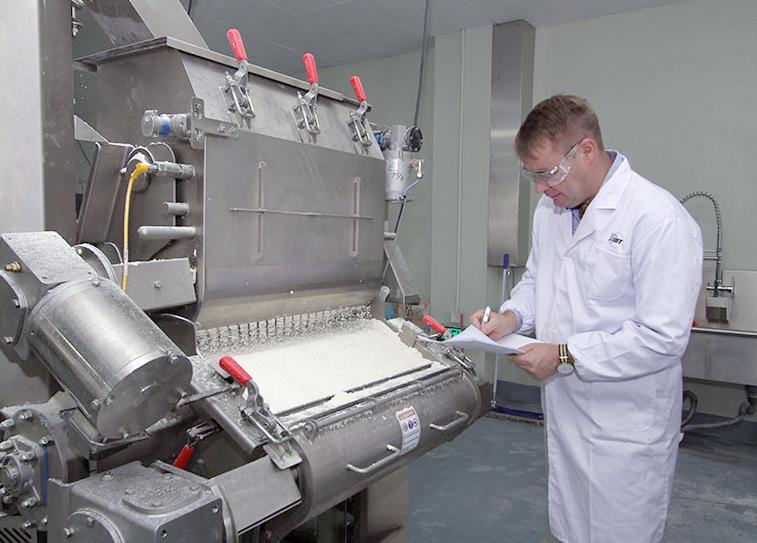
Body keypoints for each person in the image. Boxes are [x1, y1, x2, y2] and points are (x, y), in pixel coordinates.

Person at [470, 95, 703, 543]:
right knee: (570, 528)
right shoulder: (551, 211)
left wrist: (562, 355)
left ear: (587, 150)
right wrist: (512, 317)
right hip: (568, 412)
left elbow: (662, 337)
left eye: (547, 173)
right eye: (532, 176)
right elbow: (539, 280)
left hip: (626, 425)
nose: (540, 189)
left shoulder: (657, 219)